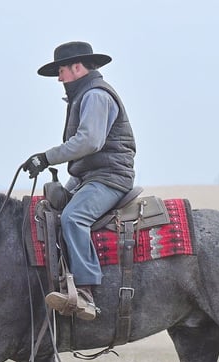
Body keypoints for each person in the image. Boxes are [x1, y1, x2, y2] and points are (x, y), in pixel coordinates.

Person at [23, 41, 136, 321]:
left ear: (76, 68)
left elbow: (89, 141)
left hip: (108, 177)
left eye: (61, 71)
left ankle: (85, 292)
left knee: (73, 218)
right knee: (46, 211)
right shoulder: (84, 95)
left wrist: (46, 158)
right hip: (88, 176)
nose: (59, 79)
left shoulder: (95, 95)